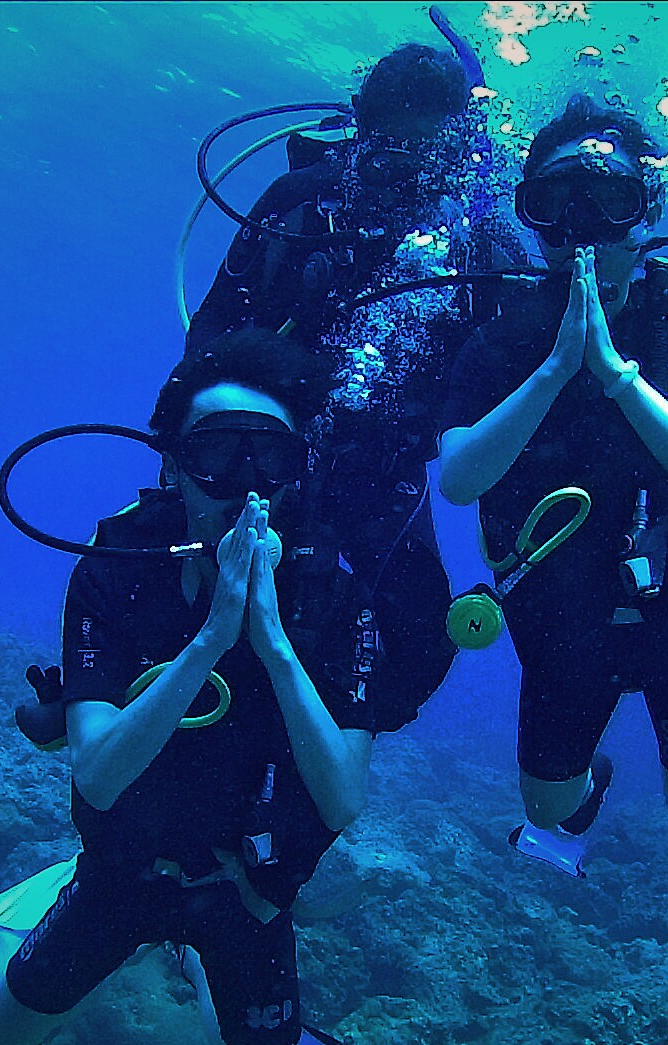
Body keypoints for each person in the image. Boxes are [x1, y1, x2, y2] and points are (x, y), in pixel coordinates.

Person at [0, 330, 402, 1045]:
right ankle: (112, 927)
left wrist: (271, 640)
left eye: (269, 457)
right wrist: (210, 638)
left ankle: (195, 968)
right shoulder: (114, 571)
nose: (244, 483)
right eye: (216, 454)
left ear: (295, 473)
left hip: (246, 890)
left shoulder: (332, 595)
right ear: (174, 465)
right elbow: (97, 775)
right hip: (121, 871)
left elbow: (342, 796)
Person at [436, 94, 668, 1045]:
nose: (582, 232)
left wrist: (617, 373)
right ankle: (585, 790)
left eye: (608, 203)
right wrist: (551, 369)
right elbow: (460, 479)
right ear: (532, 214)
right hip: (565, 622)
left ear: (646, 213)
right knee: (547, 813)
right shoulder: (504, 338)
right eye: (557, 204)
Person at [189, 43, 535, 737]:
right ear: (359, 127)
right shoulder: (298, 204)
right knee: (205, 615)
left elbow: (526, 366)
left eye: (425, 156)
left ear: (457, 148)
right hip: (268, 464)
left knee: (420, 644)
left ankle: (323, 750)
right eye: (387, 152)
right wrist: (197, 455)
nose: (404, 175)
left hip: (389, 468)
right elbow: (209, 335)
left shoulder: (480, 238)